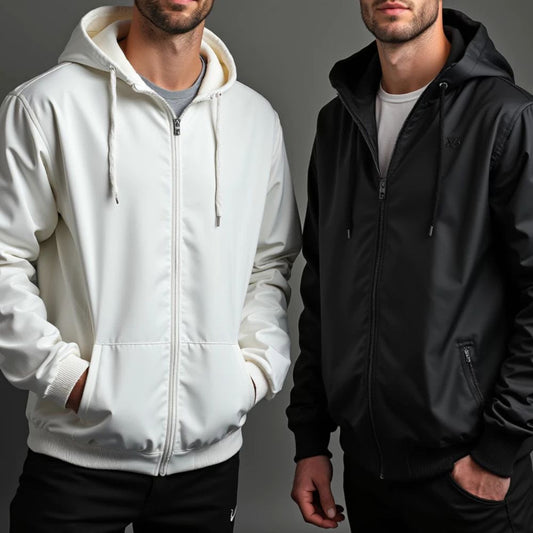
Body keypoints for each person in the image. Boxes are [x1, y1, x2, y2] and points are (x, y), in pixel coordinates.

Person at [0, 1, 301, 531]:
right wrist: (69, 380)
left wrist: (253, 374)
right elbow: (4, 256)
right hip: (77, 457)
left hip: (208, 466)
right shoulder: (46, 106)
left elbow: (269, 262)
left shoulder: (255, 120)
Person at [287, 1, 533, 531]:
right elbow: (321, 292)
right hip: (366, 474)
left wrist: (500, 448)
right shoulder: (337, 125)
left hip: (470, 481)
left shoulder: (504, 118)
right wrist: (311, 440)